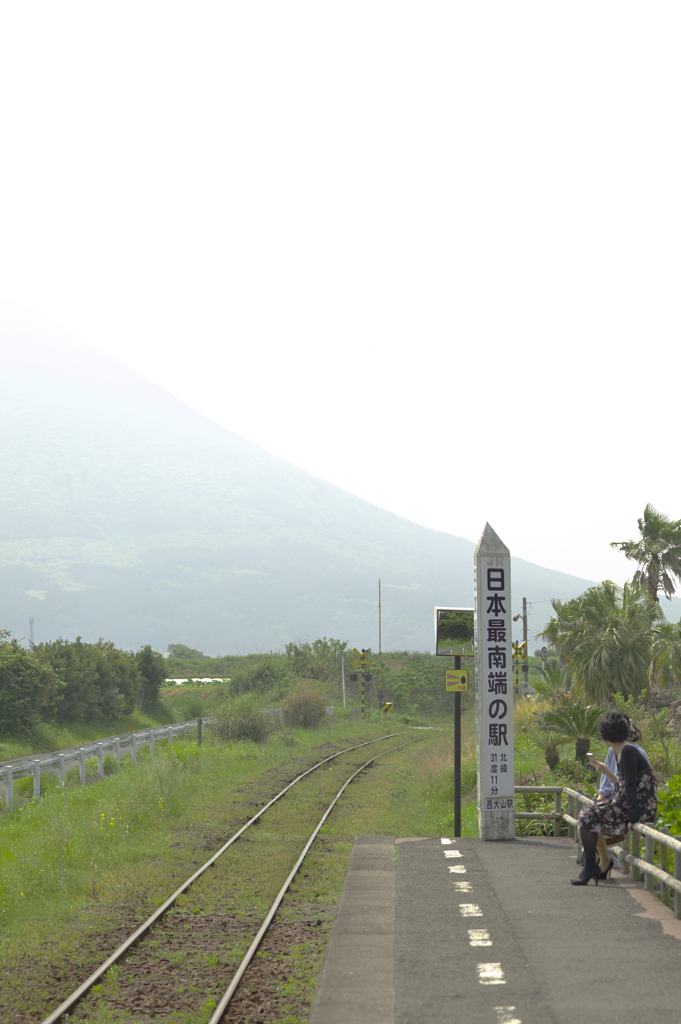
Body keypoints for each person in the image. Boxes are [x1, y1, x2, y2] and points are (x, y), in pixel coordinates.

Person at [571, 710, 657, 886]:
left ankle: (591, 867)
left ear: (606, 738)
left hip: (637, 806)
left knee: (587, 815)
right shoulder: (623, 750)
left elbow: (631, 787)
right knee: (589, 814)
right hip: (629, 801)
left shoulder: (628, 752)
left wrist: (633, 818)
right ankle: (599, 863)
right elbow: (626, 786)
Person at [586, 716, 651, 877]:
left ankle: (603, 862)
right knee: (587, 820)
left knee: (589, 823)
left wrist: (606, 772)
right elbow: (605, 788)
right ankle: (599, 863)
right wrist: (598, 804)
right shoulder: (612, 751)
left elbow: (630, 788)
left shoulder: (633, 753)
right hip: (618, 803)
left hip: (630, 807)